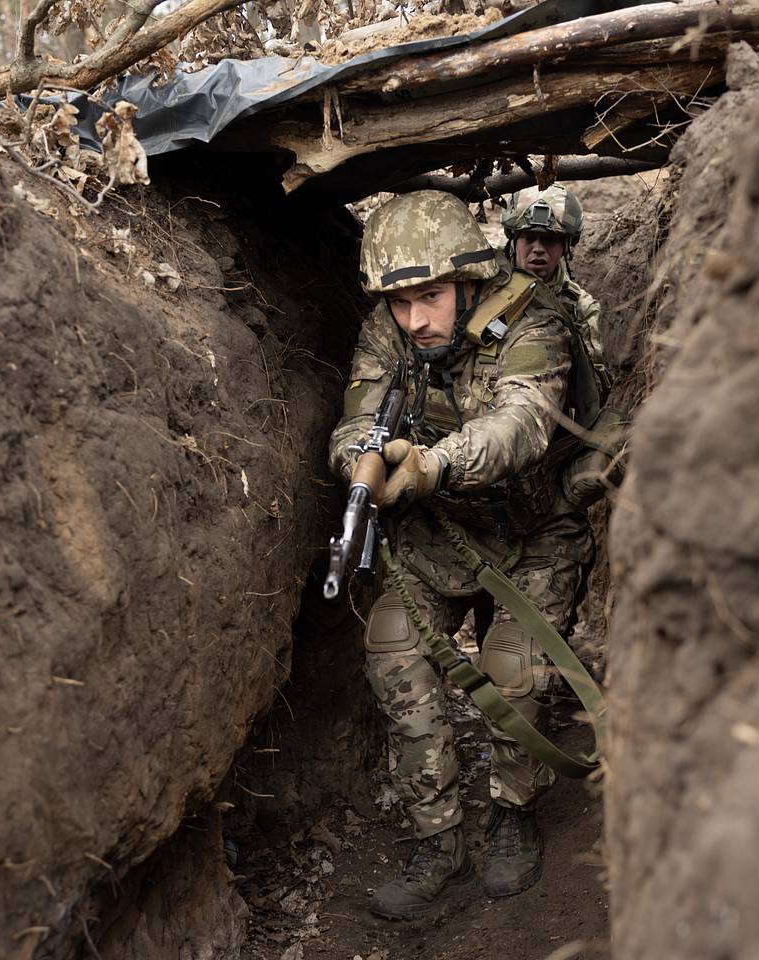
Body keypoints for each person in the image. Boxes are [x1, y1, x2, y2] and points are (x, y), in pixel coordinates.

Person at [329, 190, 593, 920]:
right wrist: (364, 464)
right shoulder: (388, 330)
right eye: (401, 302)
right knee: (394, 652)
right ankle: (437, 836)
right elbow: (354, 417)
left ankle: (512, 812)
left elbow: (523, 425)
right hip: (437, 534)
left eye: (432, 297)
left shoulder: (533, 316)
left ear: (469, 278)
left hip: (534, 529)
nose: (415, 319)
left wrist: (430, 465)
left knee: (512, 669)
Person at [501, 183, 609, 397]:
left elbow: (592, 388)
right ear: (514, 241)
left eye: (550, 240)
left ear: (566, 246)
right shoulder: (485, 286)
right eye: (529, 238)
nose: (538, 249)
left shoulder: (580, 308)